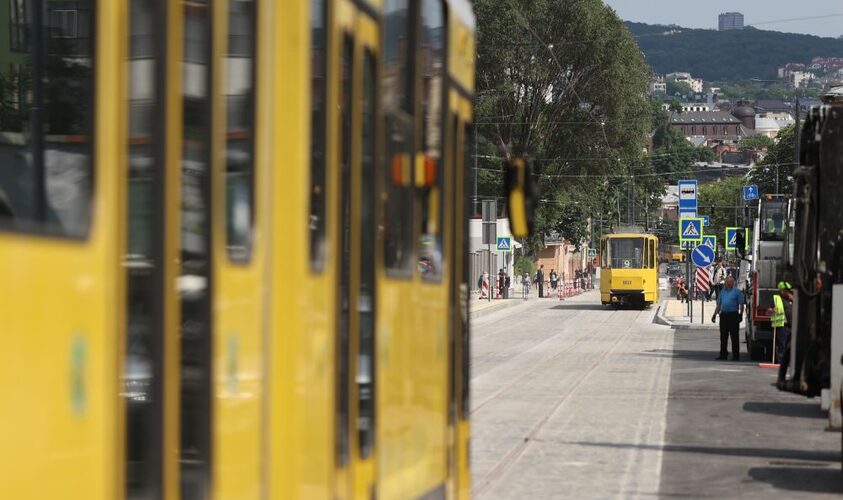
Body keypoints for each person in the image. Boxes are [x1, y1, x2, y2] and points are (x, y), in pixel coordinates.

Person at [711, 276, 745, 361]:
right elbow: (719, 304)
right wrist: (714, 314)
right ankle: (723, 355)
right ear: (725, 282)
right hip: (724, 316)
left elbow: (741, 304)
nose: (728, 283)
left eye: (730, 282)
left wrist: (740, 315)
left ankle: (736, 356)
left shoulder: (737, 292)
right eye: (727, 282)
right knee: (723, 336)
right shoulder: (722, 292)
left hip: (733, 315)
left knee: (734, 337)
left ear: (733, 282)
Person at [769, 281, 794, 364]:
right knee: (781, 345)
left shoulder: (793, 298)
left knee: (790, 346)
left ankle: (789, 362)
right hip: (782, 325)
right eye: (787, 290)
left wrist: (794, 299)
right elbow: (768, 311)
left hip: (793, 326)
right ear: (782, 291)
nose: (789, 292)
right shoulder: (776, 298)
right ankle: (780, 362)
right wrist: (772, 310)